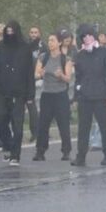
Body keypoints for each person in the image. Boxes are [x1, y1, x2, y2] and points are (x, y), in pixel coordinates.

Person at [71, 24, 106, 166]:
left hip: (101, 96)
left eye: (89, 35)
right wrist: (76, 95)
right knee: (83, 128)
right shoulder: (80, 55)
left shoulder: (104, 53)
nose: (87, 38)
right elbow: (78, 77)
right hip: (85, 96)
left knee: (104, 127)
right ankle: (81, 156)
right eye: (84, 36)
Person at [0, 21, 35, 165]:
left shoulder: (25, 49)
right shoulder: (1, 48)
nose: (10, 34)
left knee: (17, 126)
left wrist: (30, 95)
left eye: (12, 31)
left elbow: (30, 72)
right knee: (0, 121)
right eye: (7, 31)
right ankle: (9, 146)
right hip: (2, 91)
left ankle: (15, 154)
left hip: (19, 92)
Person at [33, 33, 73, 161]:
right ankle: (40, 151)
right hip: (47, 95)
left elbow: (68, 79)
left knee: (63, 124)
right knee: (43, 124)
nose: (50, 43)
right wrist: (40, 74)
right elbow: (35, 74)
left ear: (59, 43)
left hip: (60, 95)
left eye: (53, 40)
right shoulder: (43, 57)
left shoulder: (65, 59)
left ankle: (66, 151)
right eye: (49, 40)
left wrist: (61, 75)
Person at [26, 25, 44, 142]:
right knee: (31, 107)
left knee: (38, 108)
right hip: (27, 80)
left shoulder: (44, 47)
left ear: (39, 34)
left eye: (35, 32)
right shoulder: (25, 46)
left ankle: (40, 132)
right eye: (31, 32)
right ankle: (34, 132)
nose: (33, 34)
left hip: (39, 80)